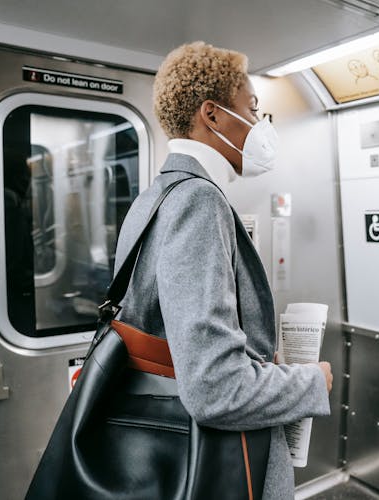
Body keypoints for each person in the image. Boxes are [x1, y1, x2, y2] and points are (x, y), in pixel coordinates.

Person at [113, 41, 333, 499]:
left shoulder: (156, 196)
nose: (259, 125)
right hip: (214, 465)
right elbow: (214, 388)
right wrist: (310, 381)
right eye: (252, 110)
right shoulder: (198, 201)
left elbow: (179, 336)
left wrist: (253, 357)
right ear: (211, 115)